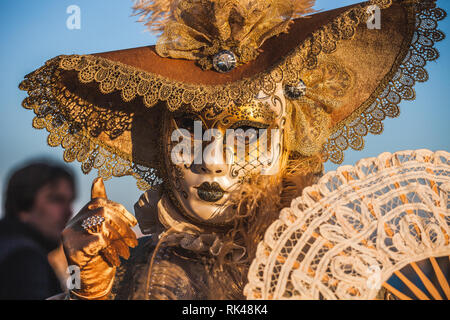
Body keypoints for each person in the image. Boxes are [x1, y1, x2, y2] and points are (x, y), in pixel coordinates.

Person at [18, 0, 447, 299]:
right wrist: (87, 289)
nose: (212, 159)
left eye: (248, 132)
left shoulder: (348, 268)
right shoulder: (129, 269)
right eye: (189, 130)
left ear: (292, 139)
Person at [0, 162, 75, 299]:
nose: (69, 211)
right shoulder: (23, 258)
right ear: (23, 205)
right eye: (57, 200)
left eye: (70, 201)